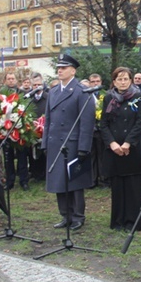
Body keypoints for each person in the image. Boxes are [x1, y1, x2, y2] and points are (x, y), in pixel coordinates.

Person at [43, 54, 96, 231]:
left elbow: (87, 122)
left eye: (64, 68)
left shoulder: (82, 91)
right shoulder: (53, 92)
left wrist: (83, 147)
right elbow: (48, 120)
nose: (60, 70)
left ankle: (78, 216)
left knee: (74, 182)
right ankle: (65, 215)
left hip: (72, 143)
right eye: (58, 68)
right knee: (59, 182)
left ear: (73, 70)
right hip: (55, 143)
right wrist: (45, 142)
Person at [99, 67, 141, 231]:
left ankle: (132, 222)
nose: (122, 82)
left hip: (132, 147)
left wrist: (127, 143)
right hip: (114, 148)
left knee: (133, 186)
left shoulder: (137, 97)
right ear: (114, 82)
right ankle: (118, 221)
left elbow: (139, 122)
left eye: (125, 79)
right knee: (118, 186)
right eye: (119, 79)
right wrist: (112, 144)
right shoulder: (108, 98)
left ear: (131, 80)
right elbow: (104, 124)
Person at [2, 72, 30, 190]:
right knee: (8, 158)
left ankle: (24, 181)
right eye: (9, 78)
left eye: (13, 78)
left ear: (16, 80)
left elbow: (28, 110)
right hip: (6, 130)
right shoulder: (1, 95)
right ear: (5, 81)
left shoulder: (23, 94)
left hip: (20, 130)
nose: (11, 80)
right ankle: (10, 181)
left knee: (22, 157)